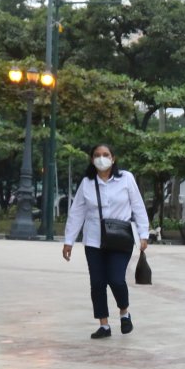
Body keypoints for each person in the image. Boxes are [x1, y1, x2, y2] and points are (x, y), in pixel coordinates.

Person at [62, 143, 150, 339]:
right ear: (92, 159)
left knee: (116, 279)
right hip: (94, 240)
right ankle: (104, 325)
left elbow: (138, 207)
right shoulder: (87, 183)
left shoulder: (126, 179)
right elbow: (77, 212)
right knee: (97, 283)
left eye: (105, 154)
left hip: (121, 238)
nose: (101, 158)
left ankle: (124, 313)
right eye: (97, 155)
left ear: (113, 158)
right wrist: (69, 241)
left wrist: (144, 234)